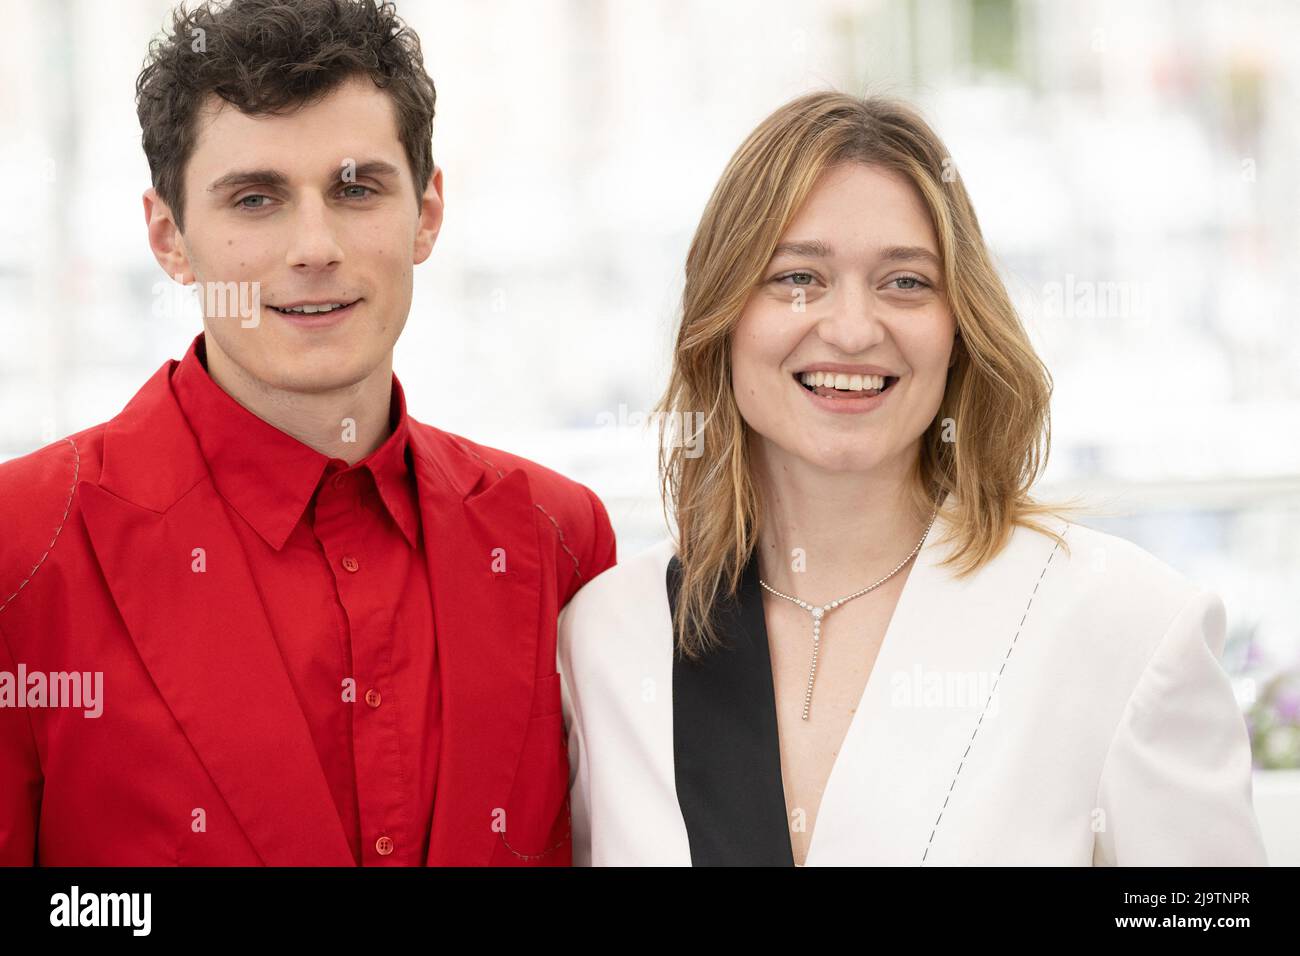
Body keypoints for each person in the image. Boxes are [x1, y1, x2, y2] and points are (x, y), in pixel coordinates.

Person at [557, 91, 1266, 866]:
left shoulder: (1127, 624)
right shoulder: (607, 639)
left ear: (961, 327)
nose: (854, 329)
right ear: (722, 315)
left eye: (906, 282)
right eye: (798, 276)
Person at [0, 0, 614, 866]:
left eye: (357, 188)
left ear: (428, 213)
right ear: (169, 239)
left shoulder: (559, 538)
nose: (314, 246)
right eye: (256, 199)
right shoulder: (21, 546)